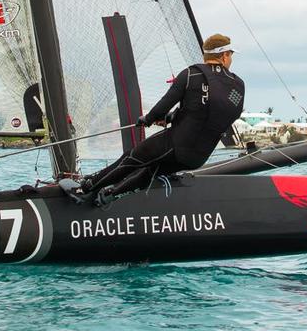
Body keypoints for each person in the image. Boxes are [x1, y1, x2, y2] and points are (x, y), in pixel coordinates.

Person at [66, 33, 245, 206]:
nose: (231, 60)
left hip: (176, 145)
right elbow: (211, 112)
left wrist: (149, 119)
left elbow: (164, 105)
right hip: (197, 158)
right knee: (151, 171)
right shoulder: (238, 85)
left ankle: (86, 188)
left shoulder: (191, 73)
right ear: (224, 55)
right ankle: (109, 195)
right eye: (231, 56)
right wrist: (171, 117)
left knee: (131, 158)